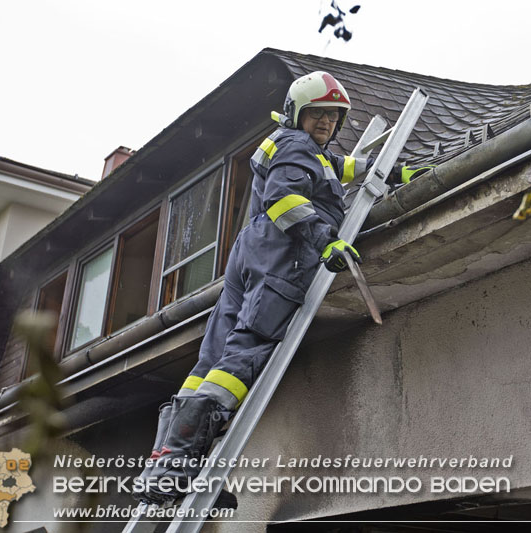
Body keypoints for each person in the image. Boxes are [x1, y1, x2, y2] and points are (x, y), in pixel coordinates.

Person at [134, 71, 373, 504]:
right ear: (299, 112)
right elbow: (286, 197)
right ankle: (178, 468)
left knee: (211, 359)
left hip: (251, 251)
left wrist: (387, 170)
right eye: (318, 113)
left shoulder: (290, 145)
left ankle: (163, 465)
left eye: (333, 117)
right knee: (246, 349)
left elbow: (333, 168)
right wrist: (325, 238)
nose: (326, 124)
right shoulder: (300, 147)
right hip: (282, 255)